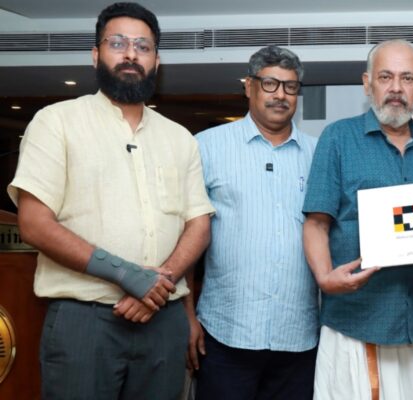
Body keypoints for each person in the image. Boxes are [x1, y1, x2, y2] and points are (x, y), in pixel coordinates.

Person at [8, 2, 214, 399]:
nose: (131, 54)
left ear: (156, 62)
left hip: (163, 319)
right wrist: (126, 274)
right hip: (85, 321)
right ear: (95, 54)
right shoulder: (56, 122)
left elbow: (198, 224)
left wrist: (156, 285)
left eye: (143, 46)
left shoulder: (179, 138)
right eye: (118, 43)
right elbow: (34, 223)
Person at [302, 39, 413, 400]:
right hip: (354, 320)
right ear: (367, 83)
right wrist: (325, 278)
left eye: (407, 78)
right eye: (385, 77)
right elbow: (316, 223)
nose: (396, 88)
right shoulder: (338, 138)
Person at [190, 45, 318, 399]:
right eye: (270, 84)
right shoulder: (206, 147)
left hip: (298, 335)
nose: (281, 95)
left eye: (290, 86)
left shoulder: (318, 153)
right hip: (226, 331)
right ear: (249, 87)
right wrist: (186, 315)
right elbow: (187, 234)